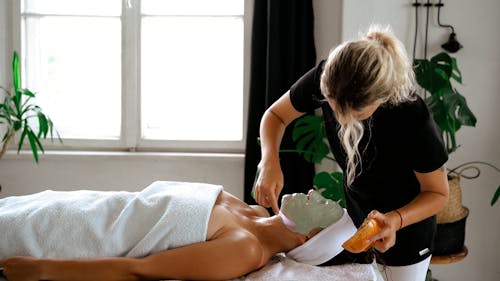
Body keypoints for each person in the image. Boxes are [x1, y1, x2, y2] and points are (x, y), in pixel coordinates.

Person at [253, 24, 449, 281]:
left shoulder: (410, 115)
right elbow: (276, 115)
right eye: (333, 107)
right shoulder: (329, 78)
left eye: (356, 115)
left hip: (406, 228)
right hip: (356, 213)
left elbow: (438, 194)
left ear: (381, 98)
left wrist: (394, 220)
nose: (342, 120)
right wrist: (269, 160)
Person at [0, 181, 352, 281]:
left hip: (79, 235)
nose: (316, 194)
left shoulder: (244, 250)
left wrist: (45, 269)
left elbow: (142, 269)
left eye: (324, 206)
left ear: (308, 237)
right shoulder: (251, 210)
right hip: (82, 204)